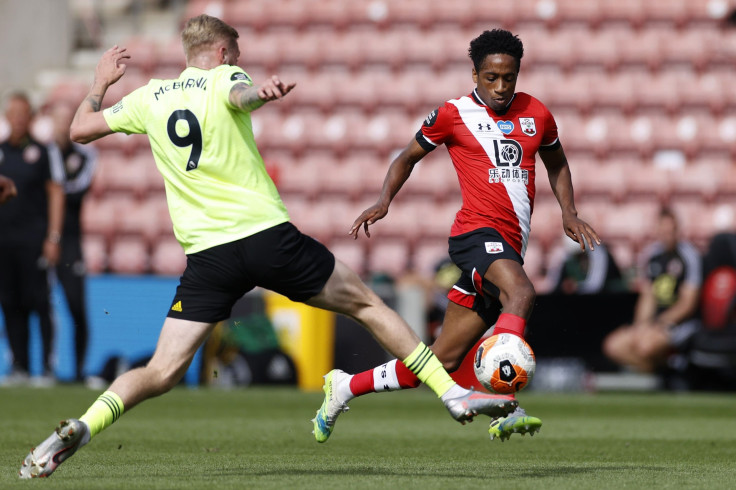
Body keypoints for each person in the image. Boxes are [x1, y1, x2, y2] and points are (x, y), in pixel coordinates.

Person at [19, 15, 518, 479]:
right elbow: (240, 95)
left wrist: (100, 85)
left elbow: (79, 130)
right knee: (367, 303)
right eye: (234, 53)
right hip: (263, 237)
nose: (238, 60)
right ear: (219, 50)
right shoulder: (224, 79)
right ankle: (451, 394)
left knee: (160, 371)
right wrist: (259, 93)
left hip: (208, 256)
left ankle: (84, 425)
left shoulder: (150, 96)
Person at [314, 29, 600, 443]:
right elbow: (406, 157)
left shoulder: (537, 113)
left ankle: (342, 387)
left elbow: (557, 162)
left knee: (440, 361)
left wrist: (569, 212)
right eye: (491, 77)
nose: (500, 87)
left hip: (509, 246)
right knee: (520, 293)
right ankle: (505, 400)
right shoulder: (452, 114)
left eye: (509, 77)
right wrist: (383, 201)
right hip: (474, 235)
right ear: (474, 74)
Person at [0, 92, 65, 386]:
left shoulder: (43, 151)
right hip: (5, 241)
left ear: (31, 118)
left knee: (39, 301)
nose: (16, 119)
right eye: (12, 113)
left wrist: (53, 236)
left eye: (22, 114)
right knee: (10, 303)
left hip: (34, 239)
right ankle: (19, 366)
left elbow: (55, 192)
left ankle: (47, 368)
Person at [602, 208, 701, 373]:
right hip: (655, 324)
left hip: (678, 325)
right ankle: (656, 371)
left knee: (646, 347)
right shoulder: (652, 255)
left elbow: (688, 304)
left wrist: (659, 323)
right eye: (664, 231)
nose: (667, 235)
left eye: (671, 231)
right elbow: (648, 296)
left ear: (678, 230)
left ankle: (664, 370)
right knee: (613, 346)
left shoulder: (689, 256)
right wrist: (642, 325)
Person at [50, 102, 98, 381]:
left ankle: (78, 369)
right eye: (58, 121)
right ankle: (41, 367)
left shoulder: (85, 156)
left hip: (69, 241)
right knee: (35, 305)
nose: (62, 127)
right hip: (40, 238)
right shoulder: (43, 154)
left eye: (67, 121)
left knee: (76, 306)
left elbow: (78, 188)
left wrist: (51, 188)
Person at [547, 236, 625, 294]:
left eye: (580, 255)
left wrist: (577, 287)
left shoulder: (601, 255)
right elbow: (557, 285)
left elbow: (596, 285)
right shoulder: (569, 258)